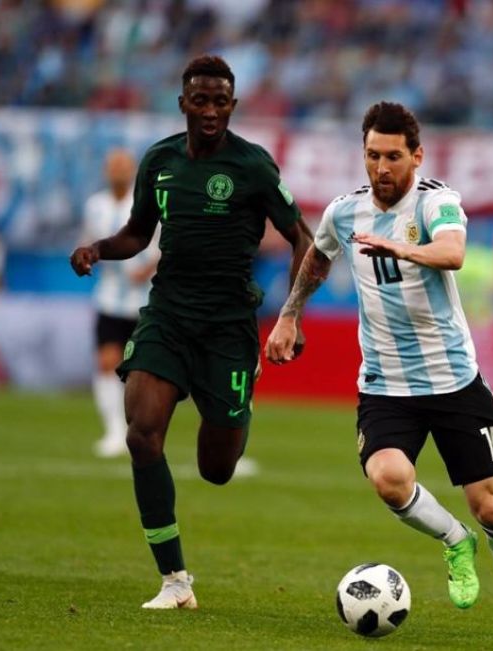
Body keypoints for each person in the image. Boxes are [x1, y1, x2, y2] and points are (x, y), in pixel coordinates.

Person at [265, 101, 493, 642]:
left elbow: (454, 252)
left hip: (455, 379)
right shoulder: (344, 213)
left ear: (416, 155)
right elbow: (318, 258)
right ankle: (453, 541)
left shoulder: (437, 202)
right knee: (388, 479)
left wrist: (401, 246)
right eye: (373, 155)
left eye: (393, 156)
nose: (382, 167)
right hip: (385, 384)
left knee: (489, 504)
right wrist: (289, 313)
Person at [69, 54, 312, 609]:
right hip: (168, 316)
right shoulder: (159, 161)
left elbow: (303, 237)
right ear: (183, 103)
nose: (209, 111)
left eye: (219, 101)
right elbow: (136, 233)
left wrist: (291, 311)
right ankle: (175, 581)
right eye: (199, 100)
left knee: (217, 469)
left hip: (228, 328)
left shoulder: (252, 166)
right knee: (141, 432)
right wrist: (98, 250)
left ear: (232, 105)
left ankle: (237, 405)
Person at [78, 148, 159, 458]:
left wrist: (148, 268)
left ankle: (139, 428)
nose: (119, 172)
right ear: (106, 172)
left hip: (145, 300)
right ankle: (113, 431)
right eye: (114, 167)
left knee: (140, 372)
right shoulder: (94, 206)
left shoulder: (146, 204)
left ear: (133, 171)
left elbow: (165, 244)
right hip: (110, 298)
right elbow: (88, 243)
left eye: (124, 167)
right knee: (106, 362)